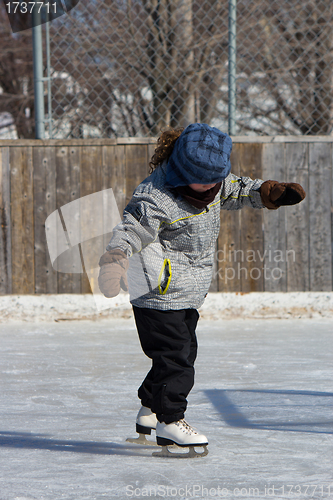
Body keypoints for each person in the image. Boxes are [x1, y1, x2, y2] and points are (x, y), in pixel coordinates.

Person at [98, 123, 305, 454]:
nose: (212, 186)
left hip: (187, 292)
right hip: (155, 294)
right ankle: (170, 421)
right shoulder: (156, 196)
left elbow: (238, 189)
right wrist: (115, 259)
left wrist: (268, 191)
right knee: (177, 359)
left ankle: (150, 408)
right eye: (204, 180)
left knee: (179, 354)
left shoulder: (215, 184)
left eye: (216, 178)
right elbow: (131, 229)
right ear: (182, 169)